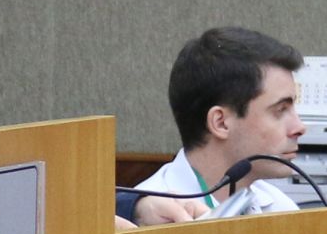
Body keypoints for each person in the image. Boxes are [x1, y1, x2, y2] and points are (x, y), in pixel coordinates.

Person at [131, 28, 311, 221]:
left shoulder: (281, 208)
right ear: (221, 123)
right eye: (280, 110)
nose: (299, 128)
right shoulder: (147, 221)